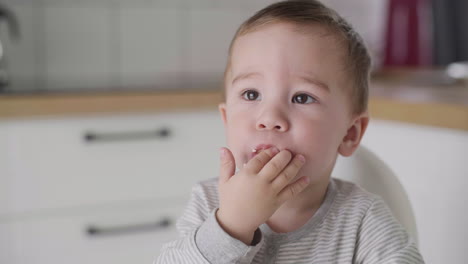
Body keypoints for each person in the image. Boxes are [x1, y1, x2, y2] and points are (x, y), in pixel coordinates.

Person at [155, 0, 424, 263]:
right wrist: (231, 226)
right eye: (251, 94)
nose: (270, 118)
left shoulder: (363, 221)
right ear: (226, 120)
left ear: (349, 134)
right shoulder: (209, 202)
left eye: (302, 98)